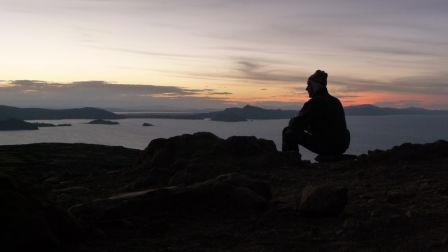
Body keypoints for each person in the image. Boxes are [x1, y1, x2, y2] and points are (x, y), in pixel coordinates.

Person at [282, 70, 350, 159]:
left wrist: (293, 121)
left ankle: (290, 162)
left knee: (288, 132)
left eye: (309, 85)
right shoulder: (336, 101)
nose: (307, 88)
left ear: (315, 85)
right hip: (341, 146)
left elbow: (296, 124)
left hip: (327, 146)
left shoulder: (314, 102)